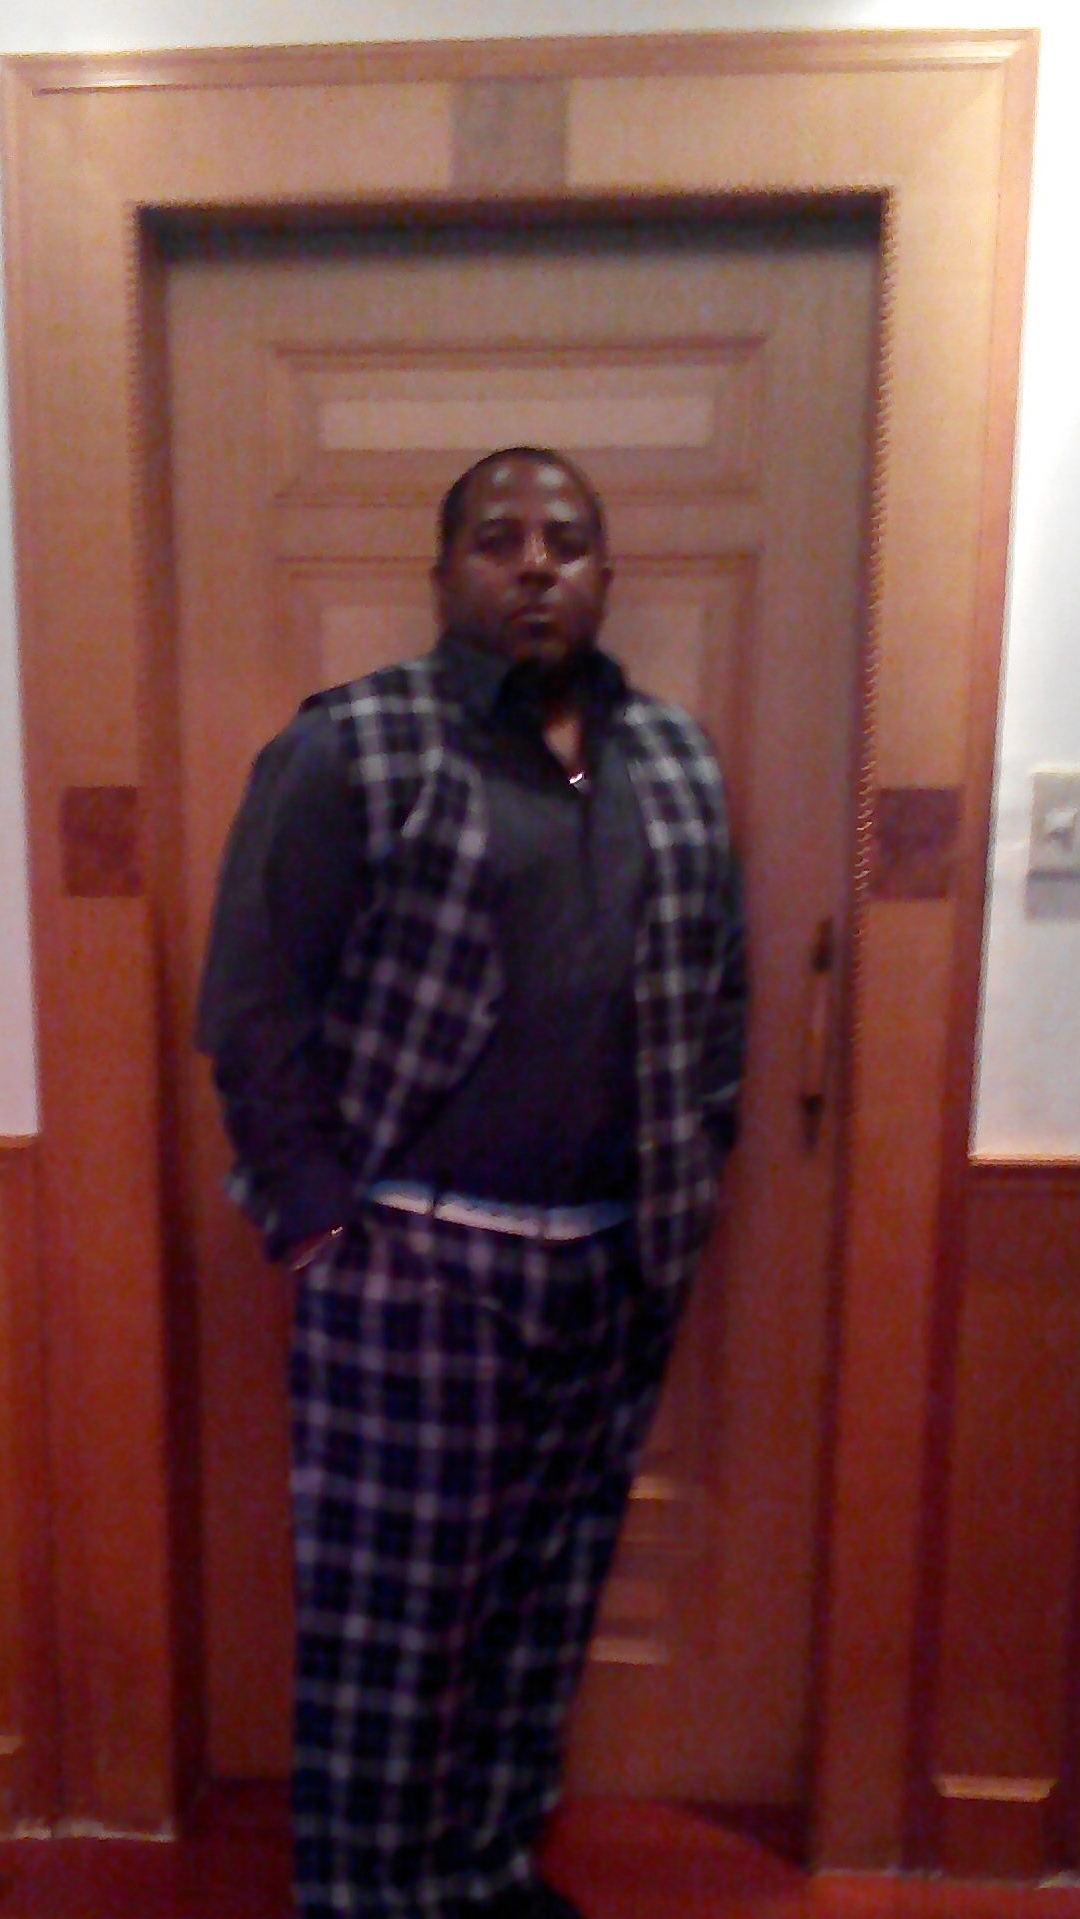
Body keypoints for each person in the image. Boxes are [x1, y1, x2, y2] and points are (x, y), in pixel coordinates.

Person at [197, 446, 747, 1919]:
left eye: (568, 537)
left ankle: (484, 1870)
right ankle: (369, 1899)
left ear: (606, 572)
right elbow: (250, 1004)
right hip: (412, 1265)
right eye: (498, 537)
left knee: (540, 1603)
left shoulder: (675, 761)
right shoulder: (354, 747)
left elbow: (719, 1001)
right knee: (389, 1625)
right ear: (445, 573)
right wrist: (316, 1217)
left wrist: (689, 1182)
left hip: (612, 1265)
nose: (537, 561)